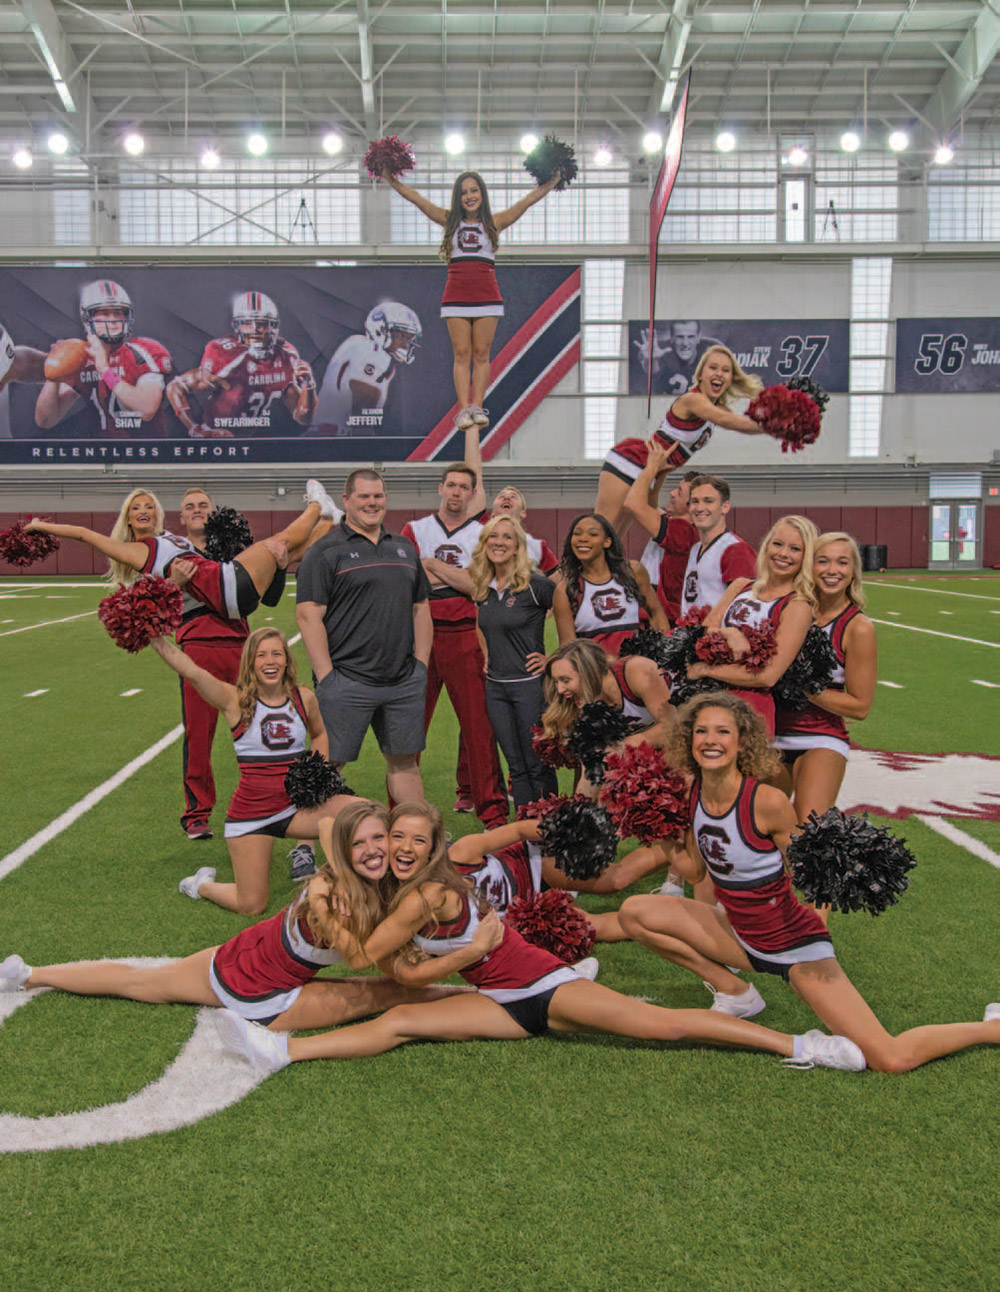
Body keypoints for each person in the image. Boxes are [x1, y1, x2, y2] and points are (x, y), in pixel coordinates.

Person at [215, 800, 867, 1075]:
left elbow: (377, 952)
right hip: (500, 998)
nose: (406, 848)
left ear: (437, 846)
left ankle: (802, 1044)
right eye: (398, 839)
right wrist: (464, 956)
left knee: (666, 1025)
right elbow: (392, 967)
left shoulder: (431, 893)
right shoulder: (416, 892)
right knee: (403, 1022)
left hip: (541, 988)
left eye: (418, 839)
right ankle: (279, 1054)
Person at [618, 694, 1000, 1072]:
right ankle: (736, 992)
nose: (711, 740)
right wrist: (662, 834)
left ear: (742, 741)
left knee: (891, 1058)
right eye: (701, 731)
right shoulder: (691, 795)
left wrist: (816, 921)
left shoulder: (766, 802)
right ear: (688, 739)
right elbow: (697, 872)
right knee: (635, 913)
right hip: (738, 936)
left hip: (792, 946)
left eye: (723, 731)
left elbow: (812, 872)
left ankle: (991, 1029)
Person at [0, 802, 464, 1031]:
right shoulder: (337, 901)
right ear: (346, 850)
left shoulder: (349, 875)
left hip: (248, 949)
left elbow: (326, 824)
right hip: (264, 991)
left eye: (378, 838)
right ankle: (29, 973)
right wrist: (324, 893)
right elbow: (365, 960)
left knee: (144, 981)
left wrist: (332, 869)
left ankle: (29, 975)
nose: (374, 850)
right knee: (384, 993)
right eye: (359, 844)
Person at [150, 628, 357, 914]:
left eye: (276, 653)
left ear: (286, 660)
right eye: (261, 655)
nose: (269, 661)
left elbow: (320, 734)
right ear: (250, 662)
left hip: (295, 810)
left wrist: (317, 769)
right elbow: (193, 672)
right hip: (252, 815)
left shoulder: (303, 697)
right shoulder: (233, 699)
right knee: (251, 905)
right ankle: (201, 885)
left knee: (364, 815)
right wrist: (155, 640)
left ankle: (353, 891)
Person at [380, 168, 562, 429]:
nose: (469, 196)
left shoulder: (494, 222)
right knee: (462, 353)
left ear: (482, 194)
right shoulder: (448, 220)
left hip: (487, 294)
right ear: (458, 197)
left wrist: (551, 181)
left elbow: (526, 202)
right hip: (456, 295)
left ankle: (477, 405)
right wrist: (390, 179)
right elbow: (416, 199)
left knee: (482, 353)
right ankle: (464, 409)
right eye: (464, 192)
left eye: (474, 190)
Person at [295, 469, 432, 805]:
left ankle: (416, 840)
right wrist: (327, 678)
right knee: (327, 764)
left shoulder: (403, 547)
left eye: (378, 496)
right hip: (346, 679)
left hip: (402, 681)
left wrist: (421, 667)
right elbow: (308, 615)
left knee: (404, 764)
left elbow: (421, 608)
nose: (373, 503)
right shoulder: (325, 550)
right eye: (364, 497)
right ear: (346, 501)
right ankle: (305, 848)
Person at [25, 479, 337, 623]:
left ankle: (329, 520)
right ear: (129, 519)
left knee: (291, 553)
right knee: (278, 543)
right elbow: (83, 533)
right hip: (226, 589)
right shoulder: (135, 550)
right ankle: (315, 503)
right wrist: (42, 525)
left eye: (149, 505)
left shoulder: (169, 539)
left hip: (229, 594)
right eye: (136, 508)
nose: (144, 510)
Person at [774, 533, 877, 913]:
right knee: (756, 824)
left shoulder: (857, 626)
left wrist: (804, 686)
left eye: (842, 562)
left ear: (853, 572)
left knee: (811, 833)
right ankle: (767, 919)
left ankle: (815, 939)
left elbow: (860, 705)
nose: (831, 570)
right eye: (823, 561)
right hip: (771, 734)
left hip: (821, 735)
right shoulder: (791, 607)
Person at [401, 462, 507, 827]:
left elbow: (480, 586)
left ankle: (492, 810)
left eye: (465, 487)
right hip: (421, 636)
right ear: (440, 488)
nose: (457, 492)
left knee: (480, 726)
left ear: (473, 493)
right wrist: (458, 578)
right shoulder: (414, 529)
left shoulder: (483, 533)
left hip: (466, 634)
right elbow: (411, 581)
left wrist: (432, 565)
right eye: (452, 485)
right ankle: (401, 809)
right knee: (410, 725)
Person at [597, 345, 764, 536]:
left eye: (725, 370)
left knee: (613, 544)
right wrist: (775, 428)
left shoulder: (718, 409)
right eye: (713, 368)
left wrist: (784, 410)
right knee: (600, 536)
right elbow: (729, 421)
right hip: (632, 460)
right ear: (700, 375)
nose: (719, 373)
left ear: (730, 379)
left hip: (652, 472)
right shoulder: (694, 400)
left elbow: (747, 420)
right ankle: (567, 567)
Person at [685, 515, 818, 737]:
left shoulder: (798, 605)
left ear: (807, 557)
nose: (783, 554)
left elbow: (768, 675)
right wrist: (730, 633)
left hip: (750, 707)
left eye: (795, 549)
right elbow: (701, 633)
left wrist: (705, 669)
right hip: (707, 699)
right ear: (766, 545)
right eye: (777, 544)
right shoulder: (741, 585)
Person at [168, 486, 250, 841]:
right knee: (199, 734)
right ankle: (197, 813)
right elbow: (158, 600)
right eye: (190, 507)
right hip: (198, 646)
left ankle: (264, 801)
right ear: (182, 518)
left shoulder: (232, 548)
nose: (198, 510)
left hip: (242, 645)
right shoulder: (172, 552)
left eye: (204, 505)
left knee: (256, 728)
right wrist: (174, 583)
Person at [468, 515, 557, 810]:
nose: (499, 543)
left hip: (529, 687)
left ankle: (551, 828)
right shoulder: (483, 586)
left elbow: (573, 614)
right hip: (496, 690)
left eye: (507, 537)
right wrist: (487, 656)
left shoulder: (536, 586)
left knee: (537, 763)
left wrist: (555, 659)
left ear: (518, 546)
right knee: (516, 766)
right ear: (485, 544)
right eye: (493, 537)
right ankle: (525, 832)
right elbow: (481, 625)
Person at [166, 292, 316, 440]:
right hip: (216, 437)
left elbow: (303, 418)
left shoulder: (286, 356)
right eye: (247, 323)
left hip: (250, 442)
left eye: (262, 323)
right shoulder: (228, 357)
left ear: (274, 326)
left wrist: (308, 387)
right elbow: (175, 387)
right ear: (237, 326)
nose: (255, 329)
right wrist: (194, 428)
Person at [34, 280, 173, 438]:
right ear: (88, 319)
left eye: (118, 313)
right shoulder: (81, 355)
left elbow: (146, 409)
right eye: (105, 313)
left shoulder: (145, 350)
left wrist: (105, 370)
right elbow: (45, 420)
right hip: (101, 454)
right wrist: (53, 374)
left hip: (146, 454)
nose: (113, 319)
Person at [541, 639, 675, 768]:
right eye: (556, 682)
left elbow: (674, 728)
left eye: (566, 680)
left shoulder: (637, 672)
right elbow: (592, 770)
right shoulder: (581, 703)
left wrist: (626, 744)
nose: (560, 689)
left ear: (589, 674)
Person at [553, 512, 666, 657]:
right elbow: (569, 648)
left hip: (639, 669)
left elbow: (657, 614)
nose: (583, 539)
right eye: (577, 534)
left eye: (593, 534)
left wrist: (662, 653)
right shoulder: (565, 590)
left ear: (607, 542)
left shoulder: (633, 572)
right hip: (598, 672)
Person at [312, 301, 422, 437]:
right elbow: (362, 410)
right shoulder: (368, 348)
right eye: (400, 336)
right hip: (333, 436)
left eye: (409, 339)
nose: (406, 346)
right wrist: (368, 445)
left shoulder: (381, 359)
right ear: (379, 330)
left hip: (333, 435)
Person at [628, 465, 699, 622]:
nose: (672, 493)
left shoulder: (682, 531)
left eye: (679, 492)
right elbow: (650, 504)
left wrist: (650, 468)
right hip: (658, 606)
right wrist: (661, 474)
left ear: (691, 506)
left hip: (664, 614)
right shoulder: (677, 524)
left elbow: (633, 504)